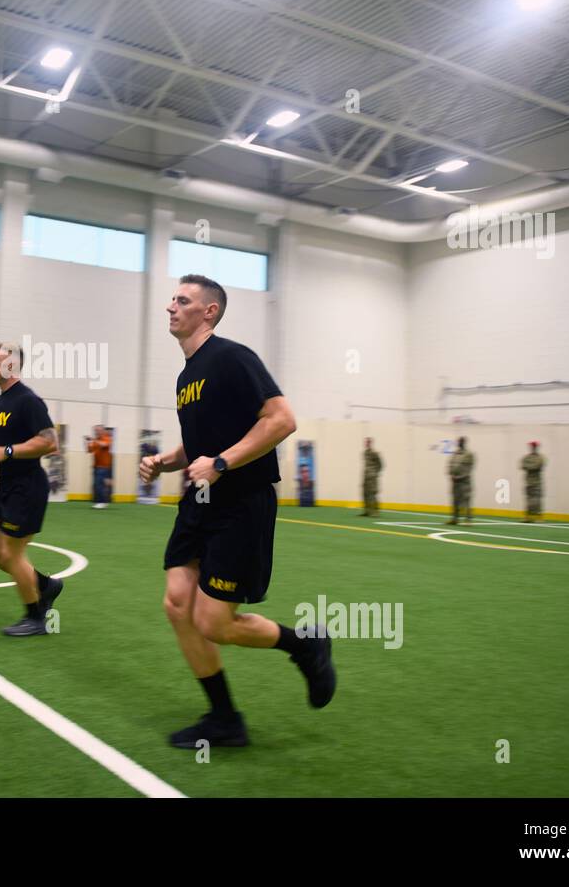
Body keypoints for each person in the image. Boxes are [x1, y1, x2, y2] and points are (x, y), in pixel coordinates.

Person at [140, 274, 335, 749]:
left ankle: (304, 645)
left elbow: (282, 419)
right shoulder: (187, 375)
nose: (170, 307)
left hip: (241, 501)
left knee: (214, 622)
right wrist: (169, 460)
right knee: (177, 604)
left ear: (208, 311)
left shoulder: (232, 357)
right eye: (171, 299)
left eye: (182, 300)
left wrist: (223, 463)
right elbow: (204, 441)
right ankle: (225, 718)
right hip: (199, 502)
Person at [0, 342, 62, 635]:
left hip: (28, 488)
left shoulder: (28, 401)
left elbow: (50, 442)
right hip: (5, 486)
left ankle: (36, 617)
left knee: (12, 555)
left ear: (10, 365)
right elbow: (4, 446)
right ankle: (45, 585)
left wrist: (8, 452)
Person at [446, 437, 474, 524]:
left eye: (461, 442)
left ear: (464, 443)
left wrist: (460, 477)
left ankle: (468, 519)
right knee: (455, 500)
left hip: (464, 481)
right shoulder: (455, 454)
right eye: (459, 442)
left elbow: (469, 469)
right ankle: (455, 518)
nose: (459, 443)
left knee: (466, 500)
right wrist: (451, 474)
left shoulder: (469, 454)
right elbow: (450, 464)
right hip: (455, 481)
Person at [85, 424, 113, 509]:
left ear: (103, 431)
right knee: (97, 485)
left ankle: (102, 502)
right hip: (96, 466)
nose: (96, 432)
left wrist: (93, 440)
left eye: (97, 430)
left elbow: (104, 445)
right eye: (95, 430)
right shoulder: (96, 440)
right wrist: (87, 442)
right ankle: (102, 502)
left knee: (98, 484)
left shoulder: (107, 438)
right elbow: (89, 451)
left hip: (104, 467)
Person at [521, 440, 545, 522]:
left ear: (536, 447)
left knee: (537, 500)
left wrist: (529, 466)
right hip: (528, 481)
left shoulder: (540, 457)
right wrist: (530, 466)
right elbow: (522, 465)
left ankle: (539, 517)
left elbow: (537, 466)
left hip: (537, 482)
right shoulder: (527, 457)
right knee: (528, 499)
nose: (533, 448)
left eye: (534, 446)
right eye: (532, 446)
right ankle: (528, 517)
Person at [360, 437, 382, 516]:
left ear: (371, 443)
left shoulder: (375, 453)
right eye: (365, 442)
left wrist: (375, 473)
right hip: (366, 476)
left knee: (373, 494)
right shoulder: (365, 453)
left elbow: (380, 464)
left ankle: (375, 512)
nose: (366, 444)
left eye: (368, 442)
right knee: (365, 494)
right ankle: (367, 511)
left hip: (372, 477)